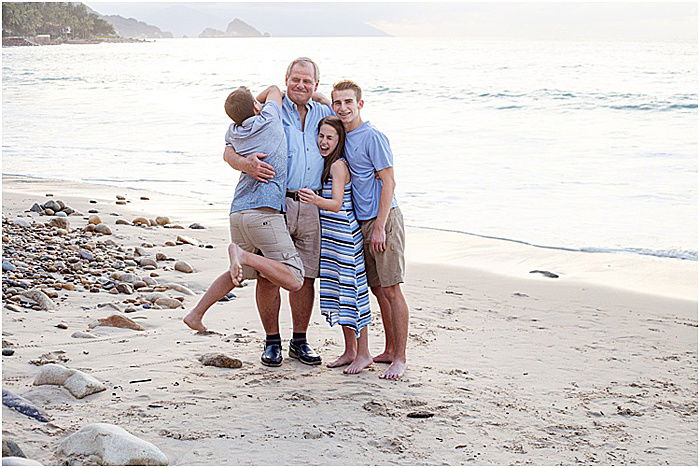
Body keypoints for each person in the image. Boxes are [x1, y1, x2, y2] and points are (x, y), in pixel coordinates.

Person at [183, 86, 305, 368]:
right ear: (255, 107)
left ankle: (196, 314)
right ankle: (247, 256)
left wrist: (249, 105)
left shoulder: (233, 132)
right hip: (264, 212)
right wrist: (259, 102)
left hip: (238, 212)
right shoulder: (270, 119)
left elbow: (229, 150)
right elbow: (275, 90)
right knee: (295, 278)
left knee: (239, 274)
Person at [222, 58, 333, 367]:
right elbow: (228, 148)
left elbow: (347, 126)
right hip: (274, 202)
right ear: (286, 79)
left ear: (315, 85)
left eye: (307, 81)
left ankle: (300, 341)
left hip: (311, 204)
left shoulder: (324, 114)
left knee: (306, 275)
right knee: (269, 277)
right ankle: (272, 341)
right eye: (295, 79)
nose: (300, 85)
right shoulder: (268, 111)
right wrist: (246, 164)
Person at [330, 80, 410, 380]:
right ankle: (388, 349)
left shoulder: (373, 137)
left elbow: (388, 182)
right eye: (338, 103)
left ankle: (400, 357)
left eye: (348, 102)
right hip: (361, 222)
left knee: (391, 288)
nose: (343, 108)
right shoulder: (343, 136)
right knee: (377, 289)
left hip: (383, 220)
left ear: (360, 104)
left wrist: (379, 226)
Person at [298, 116, 372, 374]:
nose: (324, 141)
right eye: (321, 136)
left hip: (345, 238)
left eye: (330, 137)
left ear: (339, 141)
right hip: (331, 239)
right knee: (340, 294)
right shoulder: (326, 164)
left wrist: (314, 199)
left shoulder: (339, 166)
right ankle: (350, 350)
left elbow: (337, 204)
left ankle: (364, 353)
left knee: (353, 295)